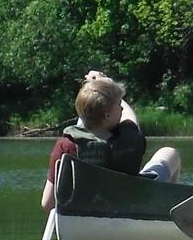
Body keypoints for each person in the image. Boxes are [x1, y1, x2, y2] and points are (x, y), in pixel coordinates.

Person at [40, 71, 182, 210]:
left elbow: (48, 203)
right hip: (131, 206)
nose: (121, 108)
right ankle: (170, 211)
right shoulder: (129, 139)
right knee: (170, 153)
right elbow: (131, 118)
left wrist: (100, 87)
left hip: (83, 211)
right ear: (107, 115)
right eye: (118, 104)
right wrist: (108, 82)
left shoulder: (66, 146)